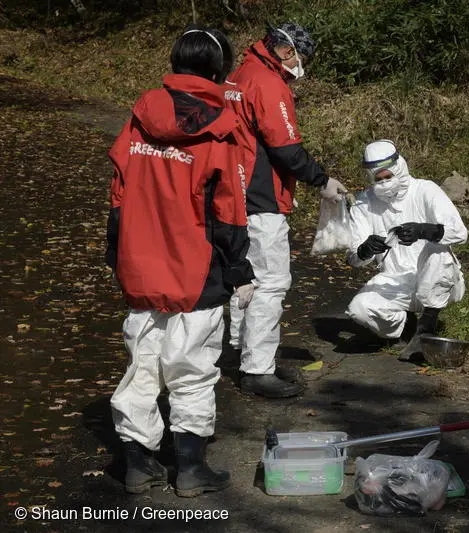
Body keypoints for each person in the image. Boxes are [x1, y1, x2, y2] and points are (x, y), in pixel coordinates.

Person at [105, 26, 255, 497]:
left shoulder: (139, 118)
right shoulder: (221, 128)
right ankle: (190, 470)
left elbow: (118, 193)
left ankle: (137, 464)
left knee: (142, 364)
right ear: (219, 70)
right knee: (191, 367)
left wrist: (117, 254)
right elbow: (229, 211)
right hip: (196, 269)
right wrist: (239, 268)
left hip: (140, 263)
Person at [224, 22, 347, 398]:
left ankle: (238, 349)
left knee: (244, 276)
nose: (300, 66)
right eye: (300, 57)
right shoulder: (268, 82)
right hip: (260, 195)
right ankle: (258, 369)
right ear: (287, 51)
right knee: (271, 281)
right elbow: (286, 147)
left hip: (231, 191)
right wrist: (322, 181)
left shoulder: (239, 74)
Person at [345, 140, 468, 360]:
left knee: (438, 251)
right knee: (360, 309)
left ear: (398, 168)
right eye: (378, 179)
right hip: (395, 279)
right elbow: (354, 258)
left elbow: (459, 233)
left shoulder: (425, 190)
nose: (384, 183)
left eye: (388, 177)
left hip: (438, 280)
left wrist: (424, 230)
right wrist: (365, 249)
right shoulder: (364, 202)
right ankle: (406, 328)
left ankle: (427, 328)